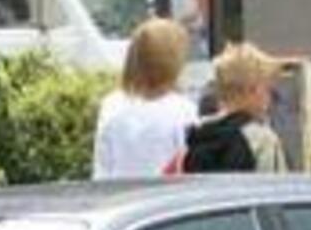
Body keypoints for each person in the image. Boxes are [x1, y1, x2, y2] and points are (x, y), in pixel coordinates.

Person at [91, 17, 197, 178]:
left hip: (121, 198)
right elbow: (189, 165)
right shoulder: (183, 110)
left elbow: (102, 167)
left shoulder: (111, 105)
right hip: (168, 199)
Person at [178, 43, 289, 174]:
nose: (270, 97)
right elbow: (274, 190)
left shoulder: (198, 135)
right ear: (253, 90)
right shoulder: (263, 141)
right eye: (267, 89)